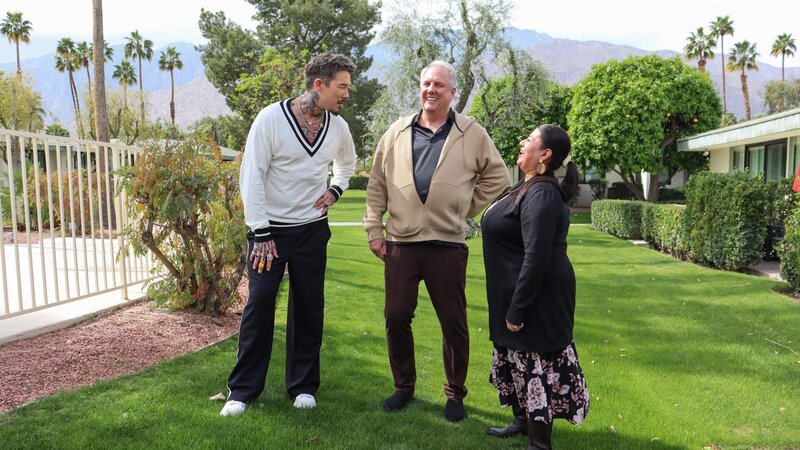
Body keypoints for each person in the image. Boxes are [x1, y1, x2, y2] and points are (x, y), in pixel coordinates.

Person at [363, 60, 510, 422]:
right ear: (420, 88)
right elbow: (377, 184)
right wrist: (374, 229)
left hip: (447, 244)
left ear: (452, 92)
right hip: (401, 241)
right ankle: (403, 387)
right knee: (395, 315)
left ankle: (455, 394)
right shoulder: (397, 131)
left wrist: (464, 208)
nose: (431, 90)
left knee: (453, 321)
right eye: (426, 83)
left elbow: (498, 176)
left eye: (439, 85)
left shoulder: (471, 132)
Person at [220, 53, 358, 417]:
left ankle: (303, 386)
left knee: (309, 306)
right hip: (270, 234)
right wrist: (261, 232)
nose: (347, 94)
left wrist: (335, 190)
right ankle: (243, 390)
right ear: (319, 85)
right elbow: (251, 176)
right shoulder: (270, 119)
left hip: (312, 231)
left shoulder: (338, 128)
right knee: (259, 305)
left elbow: (347, 162)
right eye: (341, 87)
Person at [481, 124, 590, 449]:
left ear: (544, 154)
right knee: (517, 358)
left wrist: (517, 309)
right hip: (515, 290)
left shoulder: (541, 194)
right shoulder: (528, 186)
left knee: (535, 365)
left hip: (537, 297)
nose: (521, 142)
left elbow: (537, 258)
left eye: (528, 140)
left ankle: (539, 443)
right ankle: (520, 420)